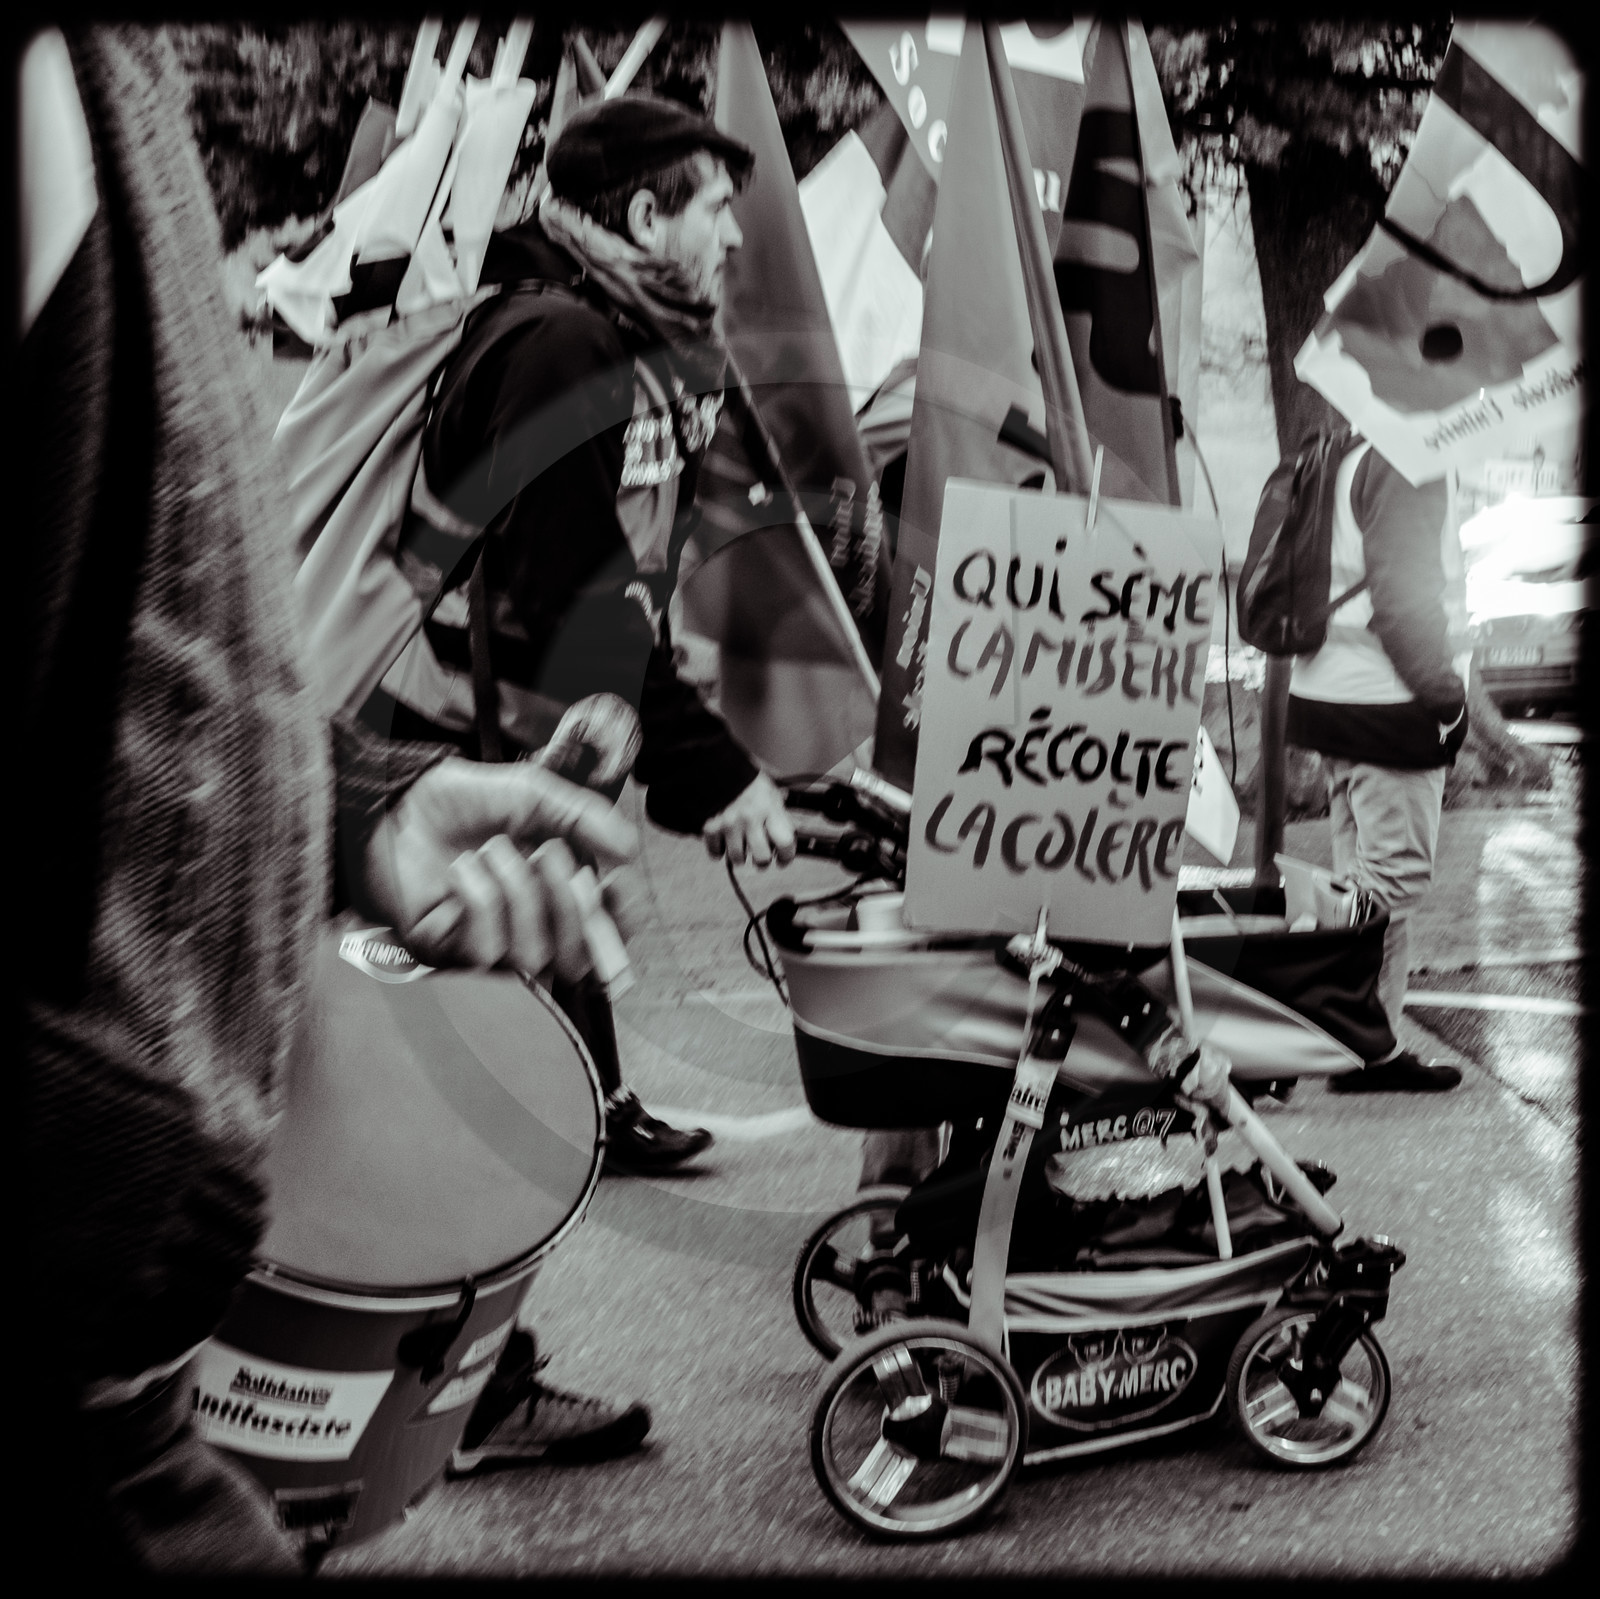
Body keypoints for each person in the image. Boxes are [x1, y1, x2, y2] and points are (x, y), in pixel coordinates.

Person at [20, 26, 644, 1573]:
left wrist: (347, 808)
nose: (730, 241)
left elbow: (130, 625)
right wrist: (109, 1162)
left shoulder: (102, 71)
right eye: (708, 208)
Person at [354, 92, 799, 1476]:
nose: (735, 234)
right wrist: (711, 770)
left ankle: (465, 1384)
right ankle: (465, 1399)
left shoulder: (609, 334)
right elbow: (565, 592)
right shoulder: (561, 341)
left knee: (529, 1090)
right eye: (711, 207)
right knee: (494, 1106)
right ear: (641, 215)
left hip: (512, 758)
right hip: (461, 766)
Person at [1286, 428, 1469, 1093]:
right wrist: (1447, 699)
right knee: (1390, 881)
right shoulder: (1407, 459)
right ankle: (1308, 1008)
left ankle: (1366, 1050)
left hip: (1334, 694)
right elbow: (1403, 600)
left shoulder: (1348, 451)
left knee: (1363, 879)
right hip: (1388, 704)